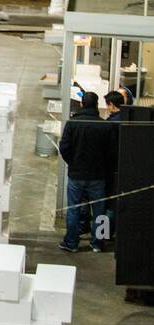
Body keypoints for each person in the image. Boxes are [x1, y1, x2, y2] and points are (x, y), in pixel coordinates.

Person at [58, 92, 117, 253]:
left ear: (82, 104)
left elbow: (64, 147)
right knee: (100, 210)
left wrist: (73, 162)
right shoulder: (105, 125)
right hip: (98, 176)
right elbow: (112, 152)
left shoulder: (72, 123)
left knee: (74, 209)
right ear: (97, 105)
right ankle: (98, 243)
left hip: (76, 175)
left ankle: (72, 242)